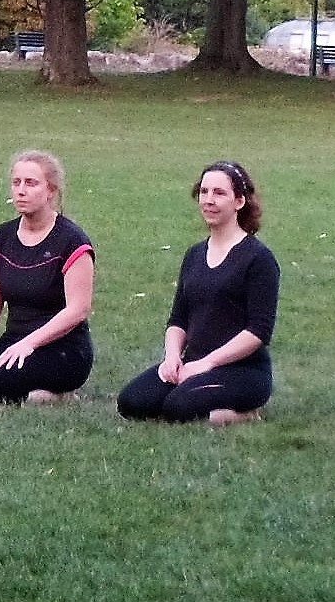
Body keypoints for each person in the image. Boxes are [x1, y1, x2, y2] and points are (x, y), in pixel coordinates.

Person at [119, 161, 278, 425]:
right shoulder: (194, 254)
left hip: (243, 370)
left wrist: (208, 363)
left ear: (239, 201)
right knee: (133, 403)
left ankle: (244, 414)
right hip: (192, 362)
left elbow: (259, 331)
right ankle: (199, 397)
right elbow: (178, 320)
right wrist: (172, 358)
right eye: (204, 192)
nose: (209, 200)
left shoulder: (259, 259)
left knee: (178, 408)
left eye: (219, 193)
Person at [0, 150, 95, 404]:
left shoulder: (72, 240)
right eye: (17, 183)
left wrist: (29, 344)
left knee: (4, 385)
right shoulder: (3, 237)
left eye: (31, 183)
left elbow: (77, 310)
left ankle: (59, 396)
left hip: (64, 348)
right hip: (14, 339)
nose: (21, 191)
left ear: (51, 191)